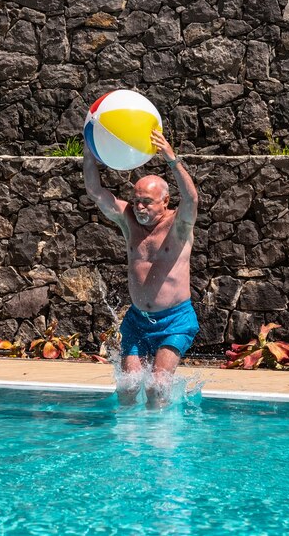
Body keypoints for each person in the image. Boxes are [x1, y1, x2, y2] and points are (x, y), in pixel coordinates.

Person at [83, 129, 199, 407]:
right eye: (135, 200)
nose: (139, 207)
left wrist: (172, 160)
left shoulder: (179, 225)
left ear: (165, 202)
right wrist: (90, 151)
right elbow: (95, 192)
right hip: (137, 320)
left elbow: (192, 199)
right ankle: (129, 444)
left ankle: (159, 442)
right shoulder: (128, 221)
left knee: (156, 388)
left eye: (147, 201)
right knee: (127, 389)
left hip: (175, 320)